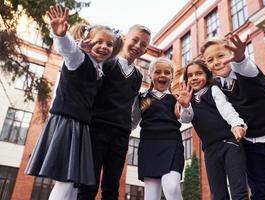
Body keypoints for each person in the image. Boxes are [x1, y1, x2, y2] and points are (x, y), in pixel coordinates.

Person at [25, 4, 121, 200]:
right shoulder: (78, 59)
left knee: (72, 185)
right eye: (99, 41)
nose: (104, 46)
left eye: (109, 44)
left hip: (81, 126)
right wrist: (60, 35)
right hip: (67, 123)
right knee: (66, 183)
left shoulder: (98, 70)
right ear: (88, 41)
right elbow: (68, 51)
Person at [200, 34, 265, 199]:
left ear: (230, 54)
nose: (216, 62)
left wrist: (240, 57)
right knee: (260, 192)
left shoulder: (246, 70)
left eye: (220, 55)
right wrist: (236, 125)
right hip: (251, 144)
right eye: (210, 60)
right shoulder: (216, 87)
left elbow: (244, 65)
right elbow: (226, 109)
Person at [77, 24, 151, 200]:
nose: (138, 46)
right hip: (97, 129)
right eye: (135, 40)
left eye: (143, 44)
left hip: (121, 135)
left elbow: (133, 106)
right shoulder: (108, 63)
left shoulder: (138, 76)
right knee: (88, 184)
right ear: (124, 38)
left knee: (112, 187)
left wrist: (129, 126)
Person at [177, 58, 248, 200]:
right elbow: (186, 119)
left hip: (229, 143)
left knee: (238, 191)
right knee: (218, 193)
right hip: (210, 150)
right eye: (190, 75)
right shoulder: (188, 99)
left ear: (207, 75)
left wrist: (236, 124)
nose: (194, 78)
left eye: (198, 74)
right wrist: (184, 105)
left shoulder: (213, 90)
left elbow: (226, 108)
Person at [131, 57, 184, 200]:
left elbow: (186, 118)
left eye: (167, 72)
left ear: (172, 77)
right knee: (151, 196)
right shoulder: (144, 98)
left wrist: (185, 106)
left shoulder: (176, 98)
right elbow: (133, 123)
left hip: (172, 144)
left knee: (172, 188)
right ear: (150, 75)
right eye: (158, 72)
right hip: (149, 146)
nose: (162, 75)